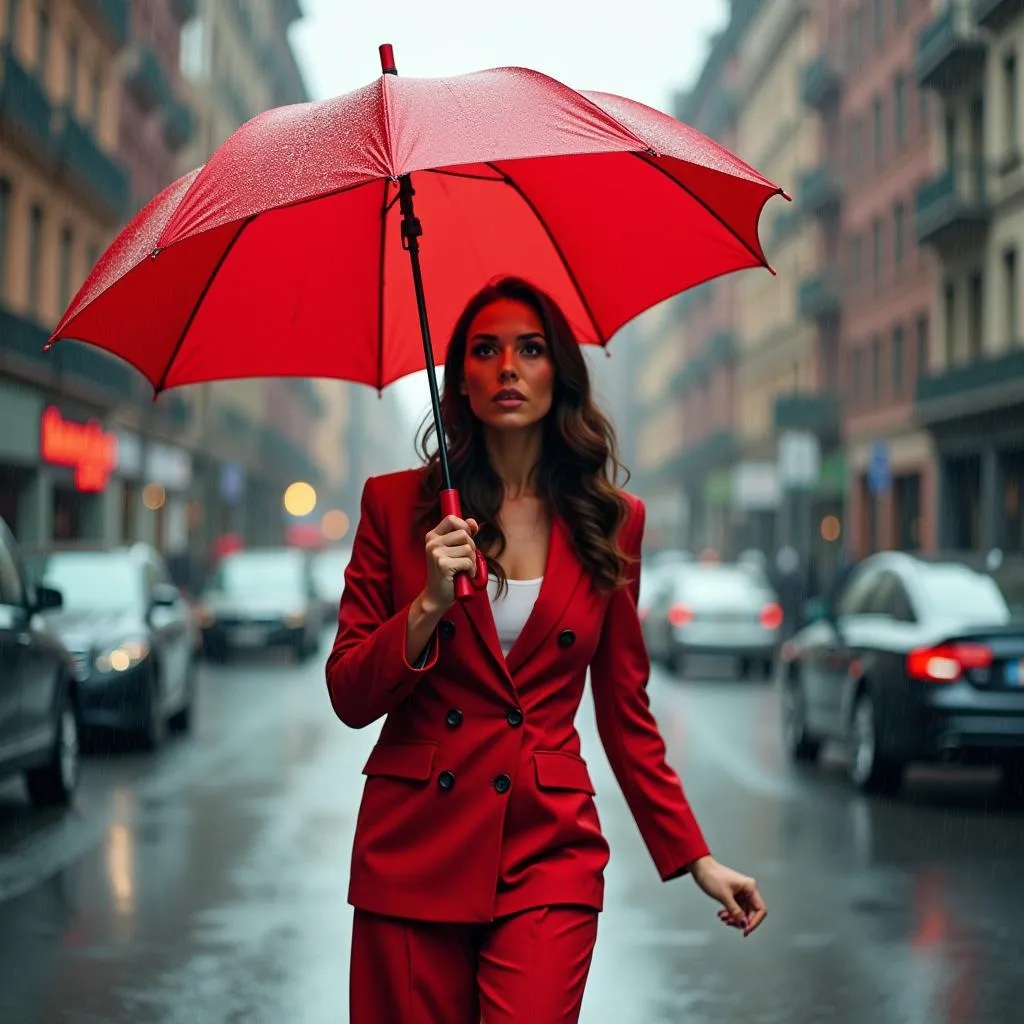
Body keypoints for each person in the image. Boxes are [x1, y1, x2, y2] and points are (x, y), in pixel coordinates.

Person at [326, 277, 767, 1023]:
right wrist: (428, 604)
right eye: (485, 349)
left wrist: (695, 856)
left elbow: (626, 714)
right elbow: (348, 694)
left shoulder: (611, 520)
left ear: (558, 371)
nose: (507, 368)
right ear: (460, 378)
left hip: (547, 848)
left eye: (529, 349)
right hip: (412, 852)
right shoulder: (396, 506)